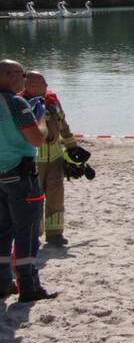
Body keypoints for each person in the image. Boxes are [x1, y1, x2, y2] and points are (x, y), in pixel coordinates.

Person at [0, 59, 56, 302]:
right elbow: (36, 139)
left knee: (2, 231)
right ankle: (29, 286)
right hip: (20, 175)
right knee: (28, 231)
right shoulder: (15, 103)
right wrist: (41, 120)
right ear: (10, 75)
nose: (24, 79)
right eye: (22, 74)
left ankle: (3, 282)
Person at [20, 71, 79, 247]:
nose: (43, 86)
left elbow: (63, 125)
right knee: (33, 197)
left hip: (55, 157)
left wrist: (73, 149)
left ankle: (55, 234)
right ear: (26, 85)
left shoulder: (52, 101)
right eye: (37, 83)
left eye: (43, 83)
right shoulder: (19, 103)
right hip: (32, 158)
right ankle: (34, 233)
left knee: (56, 196)